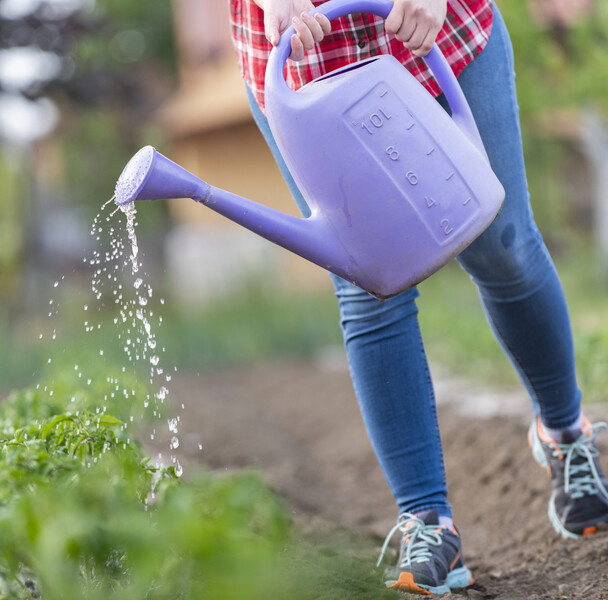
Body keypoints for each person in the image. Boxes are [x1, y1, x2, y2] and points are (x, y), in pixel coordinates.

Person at [229, 0, 608, 595]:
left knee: (503, 245)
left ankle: (565, 437)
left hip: (437, 30)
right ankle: (427, 521)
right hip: (306, 63)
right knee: (370, 285)